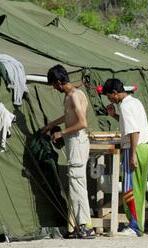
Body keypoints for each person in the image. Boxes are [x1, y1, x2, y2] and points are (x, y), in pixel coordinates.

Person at [43, 64, 95, 239]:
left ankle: (86, 226)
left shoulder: (74, 96)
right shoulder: (70, 95)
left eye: (54, 85)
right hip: (73, 142)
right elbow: (69, 115)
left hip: (77, 141)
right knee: (73, 185)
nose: (54, 88)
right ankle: (75, 227)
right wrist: (51, 125)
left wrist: (60, 132)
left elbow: (82, 123)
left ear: (59, 82)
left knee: (77, 185)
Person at [103, 78, 148, 236]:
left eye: (110, 97)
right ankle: (137, 225)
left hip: (134, 148)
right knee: (139, 188)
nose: (110, 100)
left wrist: (132, 155)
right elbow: (131, 125)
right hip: (144, 148)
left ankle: (135, 226)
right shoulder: (134, 102)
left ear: (115, 93)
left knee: (130, 189)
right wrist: (114, 115)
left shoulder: (125, 106)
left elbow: (134, 131)